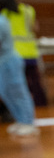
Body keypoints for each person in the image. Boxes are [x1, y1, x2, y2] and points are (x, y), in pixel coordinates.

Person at [0, 0, 47, 107]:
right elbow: (34, 27)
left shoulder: (3, 14)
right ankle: (40, 103)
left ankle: (24, 114)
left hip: (13, 53)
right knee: (34, 81)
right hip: (30, 50)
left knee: (18, 86)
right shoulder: (27, 9)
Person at [0, 10, 40, 138]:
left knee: (18, 92)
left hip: (9, 61)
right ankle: (20, 120)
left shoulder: (1, 20)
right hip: (3, 62)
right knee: (6, 93)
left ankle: (28, 122)